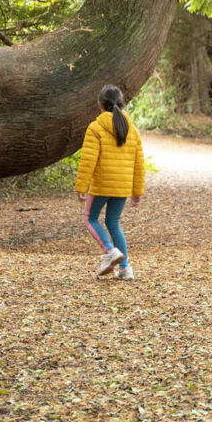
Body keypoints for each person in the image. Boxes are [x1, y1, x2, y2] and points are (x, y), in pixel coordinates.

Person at [75, 85, 145, 281]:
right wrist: (137, 191)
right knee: (113, 222)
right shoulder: (132, 129)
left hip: (102, 184)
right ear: (122, 103)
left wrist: (81, 186)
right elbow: (139, 163)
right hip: (122, 186)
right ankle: (125, 269)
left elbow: (88, 160)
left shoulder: (96, 127)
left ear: (99, 104)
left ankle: (110, 251)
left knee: (90, 218)